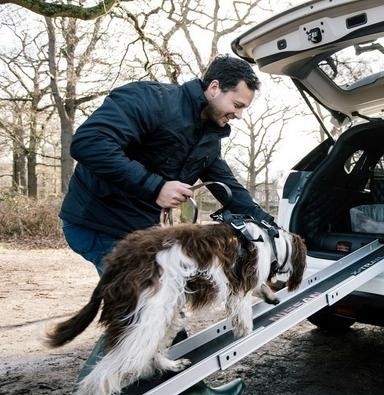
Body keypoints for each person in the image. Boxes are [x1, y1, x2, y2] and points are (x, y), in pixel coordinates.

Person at [59, 54, 272, 395]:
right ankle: (96, 389)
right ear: (214, 88)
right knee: (145, 313)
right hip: (95, 222)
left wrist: (267, 222)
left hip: (138, 231)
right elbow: (88, 143)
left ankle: (188, 388)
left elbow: (225, 184)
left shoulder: (209, 135)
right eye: (237, 103)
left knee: (165, 308)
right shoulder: (149, 100)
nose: (240, 114)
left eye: (244, 108)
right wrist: (154, 186)